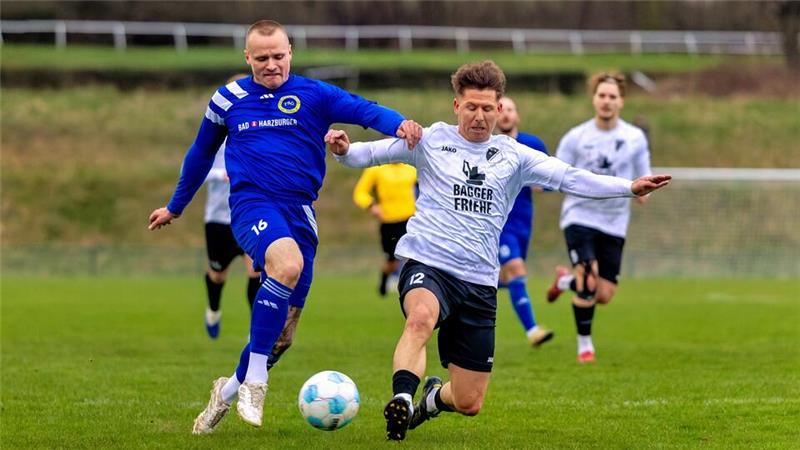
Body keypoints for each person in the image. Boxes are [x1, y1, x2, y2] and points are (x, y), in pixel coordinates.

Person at [324, 60, 670, 441]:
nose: (479, 116)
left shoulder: (514, 155)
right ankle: (402, 399)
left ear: (499, 108)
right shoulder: (430, 140)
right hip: (429, 262)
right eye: (471, 107)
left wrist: (628, 187)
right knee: (420, 318)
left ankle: (431, 400)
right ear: (457, 105)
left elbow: (569, 177)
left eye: (488, 108)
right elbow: (368, 155)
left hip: (479, 280)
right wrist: (343, 149)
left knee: (469, 401)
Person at [148, 19, 421, 434]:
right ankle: (256, 382)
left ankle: (225, 392)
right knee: (286, 264)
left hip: (300, 212)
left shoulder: (314, 94)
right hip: (252, 204)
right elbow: (200, 153)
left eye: (278, 56)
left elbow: (364, 109)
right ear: (247, 57)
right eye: (262, 58)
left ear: (290, 51)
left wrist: (400, 123)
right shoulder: (228, 99)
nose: (271, 64)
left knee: (283, 336)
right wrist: (176, 206)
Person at [545, 72, 653, 364]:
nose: (606, 101)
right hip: (579, 216)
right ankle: (585, 346)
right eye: (602, 95)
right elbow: (557, 171)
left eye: (612, 96)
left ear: (622, 101)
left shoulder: (634, 138)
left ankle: (566, 282)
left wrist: (645, 192)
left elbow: (644, 173)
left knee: (604, 293)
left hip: (615, 222)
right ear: (594, 99)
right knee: (589, 280)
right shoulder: (576, 137)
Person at [202, 74, 261, 339]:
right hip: (219, 218)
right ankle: (213, 309)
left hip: (251, 214)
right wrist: (222, 174)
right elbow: (193, 169)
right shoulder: (214, 134)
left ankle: (255, 330)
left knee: (257, 271)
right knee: (218, 274)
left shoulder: (261, 132)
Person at [494, 96, 553, 347]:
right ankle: (532, 331)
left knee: (503, 277)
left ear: (517, 116)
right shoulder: (487, 146)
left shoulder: (533, 144)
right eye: (501, 109)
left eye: (510, 109)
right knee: (516, 269)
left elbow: (553, 177)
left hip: (523, 222)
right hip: (498, 223)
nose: (506, 114)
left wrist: (543, 185)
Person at [352, 162, 417, 296]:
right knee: (392, 261)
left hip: (410, 220)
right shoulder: (376, 169)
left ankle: (412, 285)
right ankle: (385, 280)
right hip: (389, 221)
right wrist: (371, 206)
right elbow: (360, 193)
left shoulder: (411, 167)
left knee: (413, 256)